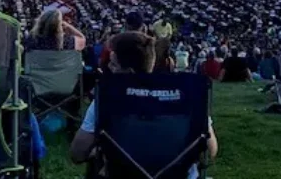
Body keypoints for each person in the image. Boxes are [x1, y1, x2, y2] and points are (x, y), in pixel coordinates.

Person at [69, 32, 218, 178]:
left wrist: (97, 151)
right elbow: (211, 151)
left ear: (128, 72)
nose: (109, 67)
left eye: (113, 64)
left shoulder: (106, 98)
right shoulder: (187, 95)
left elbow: (77, 154)